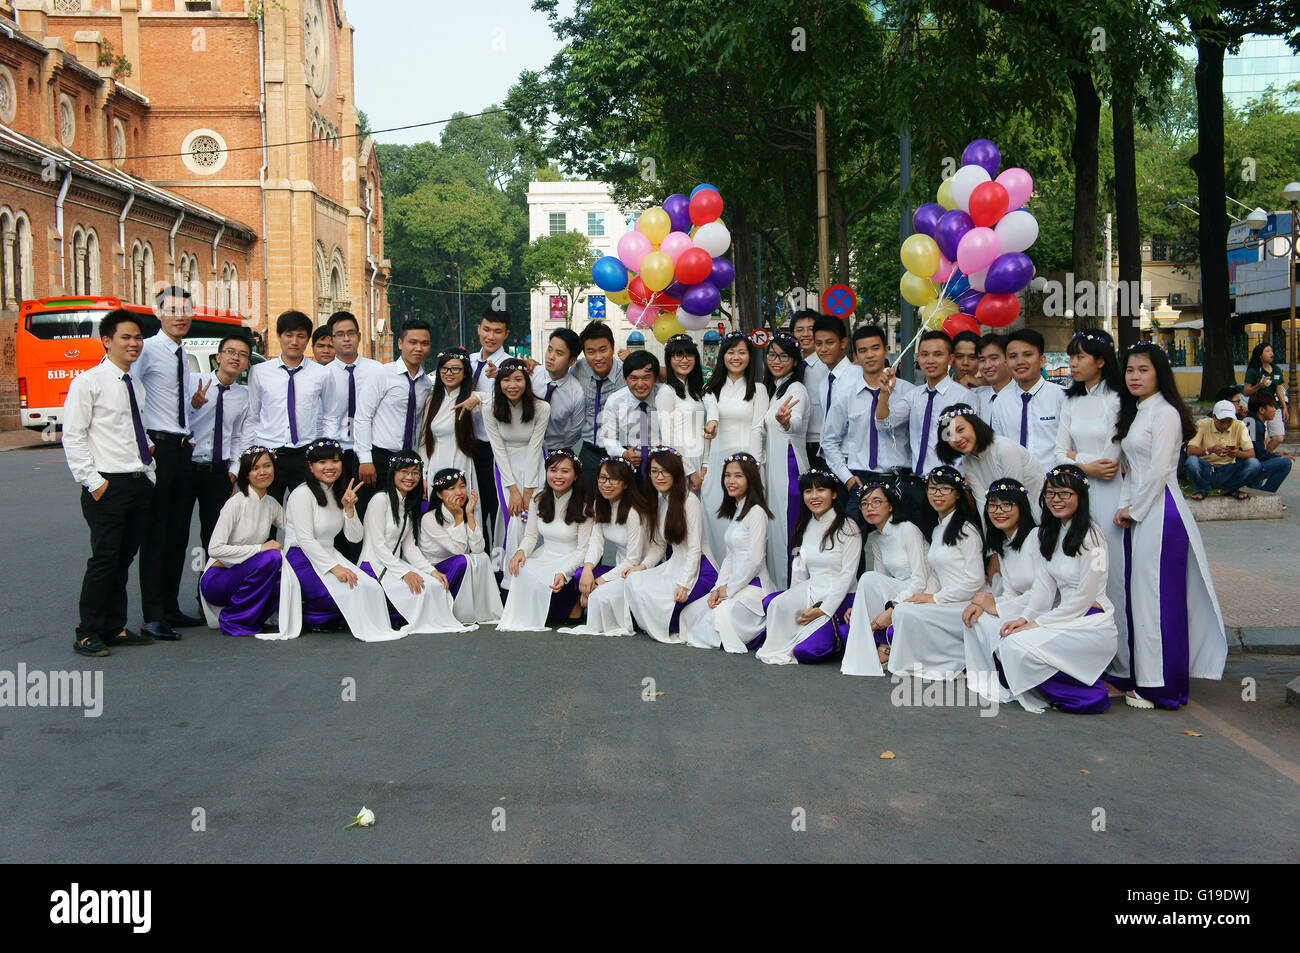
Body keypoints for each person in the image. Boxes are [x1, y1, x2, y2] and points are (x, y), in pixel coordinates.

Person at [1114, 343, 1226, 709]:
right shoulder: (1138, 412)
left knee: (1161, 599)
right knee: (1144, 598)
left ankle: (1163, 687)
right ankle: (1148, 679)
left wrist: (1134, 510)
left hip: (1163, 514)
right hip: (1145, 513)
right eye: (1130, 370)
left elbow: (1162, 469)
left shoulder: (1165, 414)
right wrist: (1125, 506)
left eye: (1143, 369)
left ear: (1160, 372)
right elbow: (1131, 468)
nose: (1135, 376)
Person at [63, 309, 158, 656]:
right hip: (107, 486)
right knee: (104, 560)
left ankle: (114, 626)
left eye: (138, 338)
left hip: (137, 482)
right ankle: (87, 631)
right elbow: (73, 436)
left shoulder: (136, 384)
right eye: (126, 338)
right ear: (107, 341)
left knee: (123, 559)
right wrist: (93, 482)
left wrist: (150, 470)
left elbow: (137, 429)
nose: (134, 344)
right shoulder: (87, 382)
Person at [995, 465, 1119, 714]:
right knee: (1006, 644)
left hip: (1090, 619)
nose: (1056, 500)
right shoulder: (1048, 533)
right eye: (1051, 493)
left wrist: (1039, 624)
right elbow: (1044, 586)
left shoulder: (1093, 538)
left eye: (1064, 493)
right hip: (1063, 615)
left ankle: (1088, 695)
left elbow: (1085, 597)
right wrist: (1025, 618)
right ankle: (1069, 686)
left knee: (1016, 647)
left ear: (1080, 497)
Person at [1054, 328, 1130, 669]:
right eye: (1072, 355)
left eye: (1080, 356)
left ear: (1101, 361)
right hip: (1077, 496)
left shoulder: (1119, 399)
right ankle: (1084, 658)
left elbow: (1112, 464)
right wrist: (1084, 463)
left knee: (1110, 575)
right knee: (1078, 571)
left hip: (1110, 497)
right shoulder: (1070, 400)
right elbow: (1057, 453)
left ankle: (1123, 663)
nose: (1073, 363)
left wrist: (1076, 457)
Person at [282, 439, 404, 641]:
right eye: (321, 463)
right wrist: (334, 568)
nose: (329, 467)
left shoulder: (340, 493)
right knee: (338, 596)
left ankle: (331, 617)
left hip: (330, 553)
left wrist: (349, 509)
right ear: (311, 467)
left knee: (372, 588)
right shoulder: (302, 493)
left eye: (335, 461)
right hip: (300, 556)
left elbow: (354, 537)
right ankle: (309, 616)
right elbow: (305, 540)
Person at [135, 285, 200, 638]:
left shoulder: (181, 353)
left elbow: (171, 403)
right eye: (172, 310)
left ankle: (171, 607)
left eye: (185, 310)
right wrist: (145, 443)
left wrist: (194, 408)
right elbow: (129, 394)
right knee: (156, 534)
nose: (180, 316)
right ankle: (152, 615)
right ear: (158, 313)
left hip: (182, 450)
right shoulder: (146, 349)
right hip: (159, 449)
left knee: (177, 534)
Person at [887, 465, 986, 680]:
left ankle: (951, 661)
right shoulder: (938, 528)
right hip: (946, 599)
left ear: (957, 494)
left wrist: (935, 598)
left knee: (905, 613)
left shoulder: (966, 529)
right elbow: (936, 575)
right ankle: (925, 659)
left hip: (964, 602)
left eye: (944, 489)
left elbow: (976, 580)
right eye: (932, 489)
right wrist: (924, 597)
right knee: (905, 608)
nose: (937, 494)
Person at [358, 453, 473, 634]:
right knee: (417, 592)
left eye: (415, 473)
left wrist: (432, 571)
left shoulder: (408, 505)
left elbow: (410, 547)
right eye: (404, 472)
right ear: (393, 473)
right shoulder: (380, 500)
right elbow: (378, 546)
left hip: (393, 566)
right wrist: (405, 573)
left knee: (434, 585)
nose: (410, 477)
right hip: (373, 566)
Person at [756, 469, 861, 665]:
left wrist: (823, 610)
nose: (814, 496)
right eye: (808, 491)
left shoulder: (848, 527)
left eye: (820, 490)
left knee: (806, 652)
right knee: (774, 603)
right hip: (811, 591)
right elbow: (799, 571)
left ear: (834, 493)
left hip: (841, 597)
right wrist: (796, 601)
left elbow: (848, 575)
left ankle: (837, 632)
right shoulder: (805, 524)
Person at [198, 446, 297, 638]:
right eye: (255, 468)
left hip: (246, 574)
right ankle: (233, 620)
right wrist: (260, 548)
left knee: (287, 580)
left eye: (267, 466)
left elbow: (296, 534)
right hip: (218, 580)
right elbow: (214, 549)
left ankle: (251, 620)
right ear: (246, 474)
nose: (263, 472)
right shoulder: (235, 503)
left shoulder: (271, 504)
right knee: (271, 557)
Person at [681, 453, 775, 653]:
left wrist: (729, 589)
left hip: (754, 586)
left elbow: (755, 560)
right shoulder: (738, 511)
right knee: (690, 613)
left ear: (751, 479)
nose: (731, 481)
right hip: (733, 584)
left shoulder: (757, 512)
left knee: (719, 615)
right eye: (727, 476)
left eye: (738, 476)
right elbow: (730, 558)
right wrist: (717, 588)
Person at [958, 478, 1039, 705]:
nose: (998, 511)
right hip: (1019, 606)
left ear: (1021, 508)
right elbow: (1011, 591)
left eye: (1006, 505)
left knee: (991, 617)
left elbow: (1046, 592)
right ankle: (994, 676)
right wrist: (983, 604)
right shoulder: (1004, 545)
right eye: (993, 506)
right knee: (977, 618)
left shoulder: (1036, 539)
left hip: (1041, 611)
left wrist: (995, 605)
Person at [241, 310, 337, 501]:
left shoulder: (322, 374)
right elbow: (252, 416)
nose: (294, 341)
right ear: (278, 336)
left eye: (301, 336)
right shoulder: (259, 372)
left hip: (305, 454)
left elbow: (330, 415)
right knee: (264, 517)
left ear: (308, 339)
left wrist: (325, 452)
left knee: (305, 514)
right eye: (289, 335)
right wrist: (247, 456)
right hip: (268, 454)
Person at [840, 481, 934, 677]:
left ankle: (885, 644)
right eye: (864, 504)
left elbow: (920, 579)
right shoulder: (876, 537)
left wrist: (893, 607)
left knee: (867, 582)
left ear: (890, 505)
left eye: (876, 501)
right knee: (849, 625)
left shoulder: (907, 529)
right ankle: (882, 641)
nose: (869, 508)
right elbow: (880, 579)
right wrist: (860, 604)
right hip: (901, 589)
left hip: (923, 592)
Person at [625, 447, 718, 644]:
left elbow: (694, 549)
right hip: (674, 564)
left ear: (676, 473)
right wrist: (641, 567)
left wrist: (684, 585)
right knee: (634, 580)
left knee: (672, 601)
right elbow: (658, 547)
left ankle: (669, 622)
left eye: (665, 471)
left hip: (700, 569)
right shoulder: (660, 501)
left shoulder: (689, 501)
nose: (659, 476)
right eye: (654, 471)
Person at [558, 457, 655, 637]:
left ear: (625, 484)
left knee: (596, 594)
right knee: (579, 574)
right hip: (618, 569)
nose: (606, 484)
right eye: (602, 478)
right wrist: (588, 569)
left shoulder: (634, 512)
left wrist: (597, 582)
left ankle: (627, 610)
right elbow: (596, 542)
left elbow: (633, 560)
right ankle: (579, 604)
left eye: (613, 479)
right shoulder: (601, 504)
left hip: (635, 572)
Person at [497, 450, 593, 631]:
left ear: (575, 476)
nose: (558, 476)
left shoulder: (584, 505)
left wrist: (564, 573)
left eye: (565, 471)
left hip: (570, 559)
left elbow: (583, 550)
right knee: (522, 567)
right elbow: (531, 536)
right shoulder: (538, 499)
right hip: (545, 556)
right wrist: (521, 551)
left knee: (558, 578)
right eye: (553, 470)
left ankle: (570, 604)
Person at [701, 332, 769, 559]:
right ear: (723, 356)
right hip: (717, 464)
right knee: (716, 523)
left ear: (750, 356)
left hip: (746, 464)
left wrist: (753, 469)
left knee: (745, 528)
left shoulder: (758, 390)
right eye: (731, 352)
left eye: (742, 352)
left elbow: (757, 429)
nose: (736, 357)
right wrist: (705, 465)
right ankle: (717, 582)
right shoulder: (710, 390)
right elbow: (711, 418)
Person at [821, 324, 911, 495]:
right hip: (860, 479)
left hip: (899, 479)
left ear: (886, 350)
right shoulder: (846, 394)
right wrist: (846, 477)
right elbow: (829, 440)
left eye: (875, 348)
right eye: (863, 351)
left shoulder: (908, 392)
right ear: (855, 356)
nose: (869, 355)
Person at [322, 310, 383, 559]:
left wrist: (366, 455)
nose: (346, 339)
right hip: (336, 454)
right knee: (336, 513)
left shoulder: (377, 370)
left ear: (359, 336)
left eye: (350, 334)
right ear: (332, 339)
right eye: (339, 335)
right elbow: (321, 416)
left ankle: (365, 566)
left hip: (366, 453)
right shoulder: (323, 374)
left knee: (365, 511)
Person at [481, 358, 551, 575]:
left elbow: (534, 448)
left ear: (527, 381)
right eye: (506, 380)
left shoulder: (541, 408)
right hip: (505, 467)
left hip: (535, 464)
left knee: (532, 516)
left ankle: (535, 571)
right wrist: (513, 490)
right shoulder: (489, 408)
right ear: (498, 382)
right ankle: (502, 571)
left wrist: (528, 491)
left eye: (518, 379)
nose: (512, 385)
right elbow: (498, 449)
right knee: (510, 516)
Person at [189, 332, 251, 557]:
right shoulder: (194, 384)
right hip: (187, 467)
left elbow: (238, 437)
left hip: (218, 473)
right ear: (219, 357)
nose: (236, 358)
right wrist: (194, 406)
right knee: (174, 533)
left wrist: (234, 470)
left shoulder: (244, 396)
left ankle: (206, 590)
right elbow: (179, 422)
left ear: (246, 363)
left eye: (243, 355)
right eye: (231, 352)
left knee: (215, 537)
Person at [355, 318, 434, 485]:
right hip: (379, 457)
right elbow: (363, 417)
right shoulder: (381, 374)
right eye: (413, 342)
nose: (418, 348)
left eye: (424, 343)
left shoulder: (426, 384)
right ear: (400, 343)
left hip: (409, 460)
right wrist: (365, 459)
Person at [420, 468, 503, 625]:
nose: (459, 492)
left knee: (482, 557)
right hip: (436, 570)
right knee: (462, 560)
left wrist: (469, 515)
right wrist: (459, 518)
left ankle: (482, 609)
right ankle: (457, 611)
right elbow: (458, 551)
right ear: (439, 494)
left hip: (460, 564)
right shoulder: (429, 518)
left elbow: (478, 549)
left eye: (462, 486)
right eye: (451, 488)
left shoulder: (466, 510)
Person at [884, 330, 972, 477]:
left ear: (950, 359)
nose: (930, 360)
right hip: (918, 481)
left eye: (938, 354)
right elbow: (883, 424)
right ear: (917, 358)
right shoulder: (914, 395)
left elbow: (971, 444)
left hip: (949, 482)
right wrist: (884, 392)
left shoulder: (963, 396)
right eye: (924, 355)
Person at [761, 332, 811, 589]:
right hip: (774, 471)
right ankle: (777, 591)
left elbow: (797, 420)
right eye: (772, 354)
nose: (776, 360)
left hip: (789, 471)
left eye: (783, 356)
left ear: (794, 361)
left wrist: (786, 421)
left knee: (787, 534)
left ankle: (790, 592)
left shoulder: (796, 388)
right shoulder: (774, 388)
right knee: (775, 533)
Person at [935, 403, 1044, 519]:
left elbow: (1014, 497)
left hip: (1038, 516)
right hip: (1005, 520)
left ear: (975, 425)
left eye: (960, 430)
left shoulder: (1004, 448)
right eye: (949, 435)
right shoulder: (968, 461)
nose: (956, 439)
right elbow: (983, 504)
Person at [417, 348, 482, 526]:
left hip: (461, 462)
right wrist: (423, 474)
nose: (449, 373)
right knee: (438, 518)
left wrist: (478, 398)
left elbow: (498, 401)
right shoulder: (432, 400)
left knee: (461, 514)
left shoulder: (471, 400)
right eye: (444, 368)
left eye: (455, 368)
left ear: (465, 372)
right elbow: (424, 441)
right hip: (436, 464)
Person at [989, 328, 1065, 473]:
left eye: (1028, 354)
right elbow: (997, 448)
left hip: (1054, 486)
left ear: (1042, 360)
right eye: (1012, 356)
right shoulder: (1001, 402)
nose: (1020, 362)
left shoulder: (1061, 396)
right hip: (1014, 485)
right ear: (1006, 362)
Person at [598, 350, 678, 485]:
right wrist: (624, 453)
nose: (640, 384)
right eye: (634, 378)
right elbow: (608, 438)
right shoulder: (615, 401)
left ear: (655, 378)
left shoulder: (666, 395)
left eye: (646, 377)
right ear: (625, 379)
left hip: (665, 463)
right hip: (631, 465)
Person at [468, 309, 513, 533]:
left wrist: (501, 380)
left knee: (496, 509)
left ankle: (499, 562)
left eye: (497, 331)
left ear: (506, 334)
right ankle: (480, 557)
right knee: (473, 506)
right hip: (468, 446)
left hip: (495, 449)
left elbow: (514, 402)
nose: (491, 336)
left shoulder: (510, 366)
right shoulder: (469, 361)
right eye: (486, 329)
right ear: (479, 329)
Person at [573, 321, 626, 494]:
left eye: (603, 350)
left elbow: (661, 375)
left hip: (620, 449)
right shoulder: (579, 369)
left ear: (613, 347)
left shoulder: (627, 372)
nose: (597, 357)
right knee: (584, 501)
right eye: (590, 352)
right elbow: (552, 370)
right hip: (589, 449)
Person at [1185, 399, 1260, 501]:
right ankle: (1203, 489)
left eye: (1229, 422)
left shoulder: (1240, 426)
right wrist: (1209, 450)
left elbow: (1251, 454)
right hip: (1207, 468)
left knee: (1254, 464)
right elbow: (1190, 451)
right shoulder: (1202, 424)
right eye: (1222, 422)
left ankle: (1229, 488)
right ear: (1213, 417)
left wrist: (1236, 454)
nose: (1225, 426)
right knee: (1192, 462)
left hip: (1229, 469)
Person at [661, 333, 709, 489]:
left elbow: (704, 429)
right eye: (678, 356)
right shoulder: (666, 391)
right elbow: (669, 437)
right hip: (681, 464)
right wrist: (690, 472)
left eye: (689, 355)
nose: (684, 360)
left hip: (701, 462)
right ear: (669, 360)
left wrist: (705, 463)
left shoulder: (696, 391)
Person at [808, 315, 854, 468]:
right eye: (818, 344)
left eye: (829, 343)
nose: (823, 349)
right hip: (829, 460)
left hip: (852, 461)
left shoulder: (857, 377)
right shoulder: (824, 383)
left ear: (843, 343)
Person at [531, 328, 585, 455]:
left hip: (554, 451)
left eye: (559, 353)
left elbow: (576, 430)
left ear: (571, 361)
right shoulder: (531, 376)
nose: (551, 356)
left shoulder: (576, 393)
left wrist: (558, 447)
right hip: (524, 446)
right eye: (549, 350)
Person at [791, 309, 827, 464]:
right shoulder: (789, 365)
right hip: (793, 441)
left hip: (820, 444)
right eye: (799, 330)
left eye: (811, 329)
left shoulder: (828, 367)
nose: (805, 334)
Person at [1245, 391, 1293, 495]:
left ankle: (1257, 491)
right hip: (1248, 469)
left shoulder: (1249, 420)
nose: (1274, 409)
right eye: (1271, 406)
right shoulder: (1257, 425)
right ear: (1261, 410)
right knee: (1285, 463)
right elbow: (1259, 454)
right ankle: (1265, 495)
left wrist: (1276, 455)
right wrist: (1276, 456)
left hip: (1246, 466)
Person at [1244, 342, 1287, 448]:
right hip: (1258, 407)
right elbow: (1246, 391)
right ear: (1260, 355)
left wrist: (1284, 407)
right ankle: (1263, 458)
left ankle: (1265, 455)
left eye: (1271, 351)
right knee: (1262, 437)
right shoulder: (1253, 371)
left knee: (1278, 437)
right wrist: (1259, 385)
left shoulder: (1276, 369)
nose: (1271, 353)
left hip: (1273, 406)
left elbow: (1279, 389)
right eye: (1267, 351)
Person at [972, 332, 1013, 419]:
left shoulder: (1023, 397)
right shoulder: (975, 397)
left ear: (1008, 358)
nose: (987, 365)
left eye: (994, 358)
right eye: (982, 360)